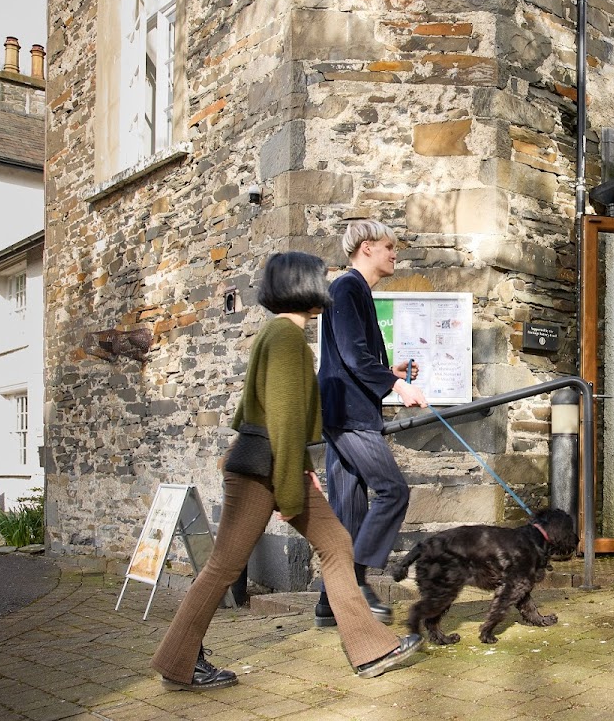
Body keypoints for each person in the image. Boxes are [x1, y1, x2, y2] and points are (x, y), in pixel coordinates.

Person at [150, 252, 421, 691]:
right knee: (225, 566)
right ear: (303, 286)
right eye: (319, 278)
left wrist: (301, 471)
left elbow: (250, 412)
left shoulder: (276, 333)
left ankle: (372, 649)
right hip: (266, 467)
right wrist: (290, 490)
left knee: (334, 544)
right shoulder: (287, 338)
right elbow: (284, 419)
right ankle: (178, 661)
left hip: (270, 462)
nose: (326, 286)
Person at [315, 220, 429, 628]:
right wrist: (398, 385)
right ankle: (357, 584)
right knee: (392, 491)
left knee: (348, 511)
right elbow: (351, 355)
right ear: (366, 248)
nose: (395, 254)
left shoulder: (355, 290)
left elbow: (352, 356)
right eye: (388, 247)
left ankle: (329, 604)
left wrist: (389, 370)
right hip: (349, 416)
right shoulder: (347, 288)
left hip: (342, 411)